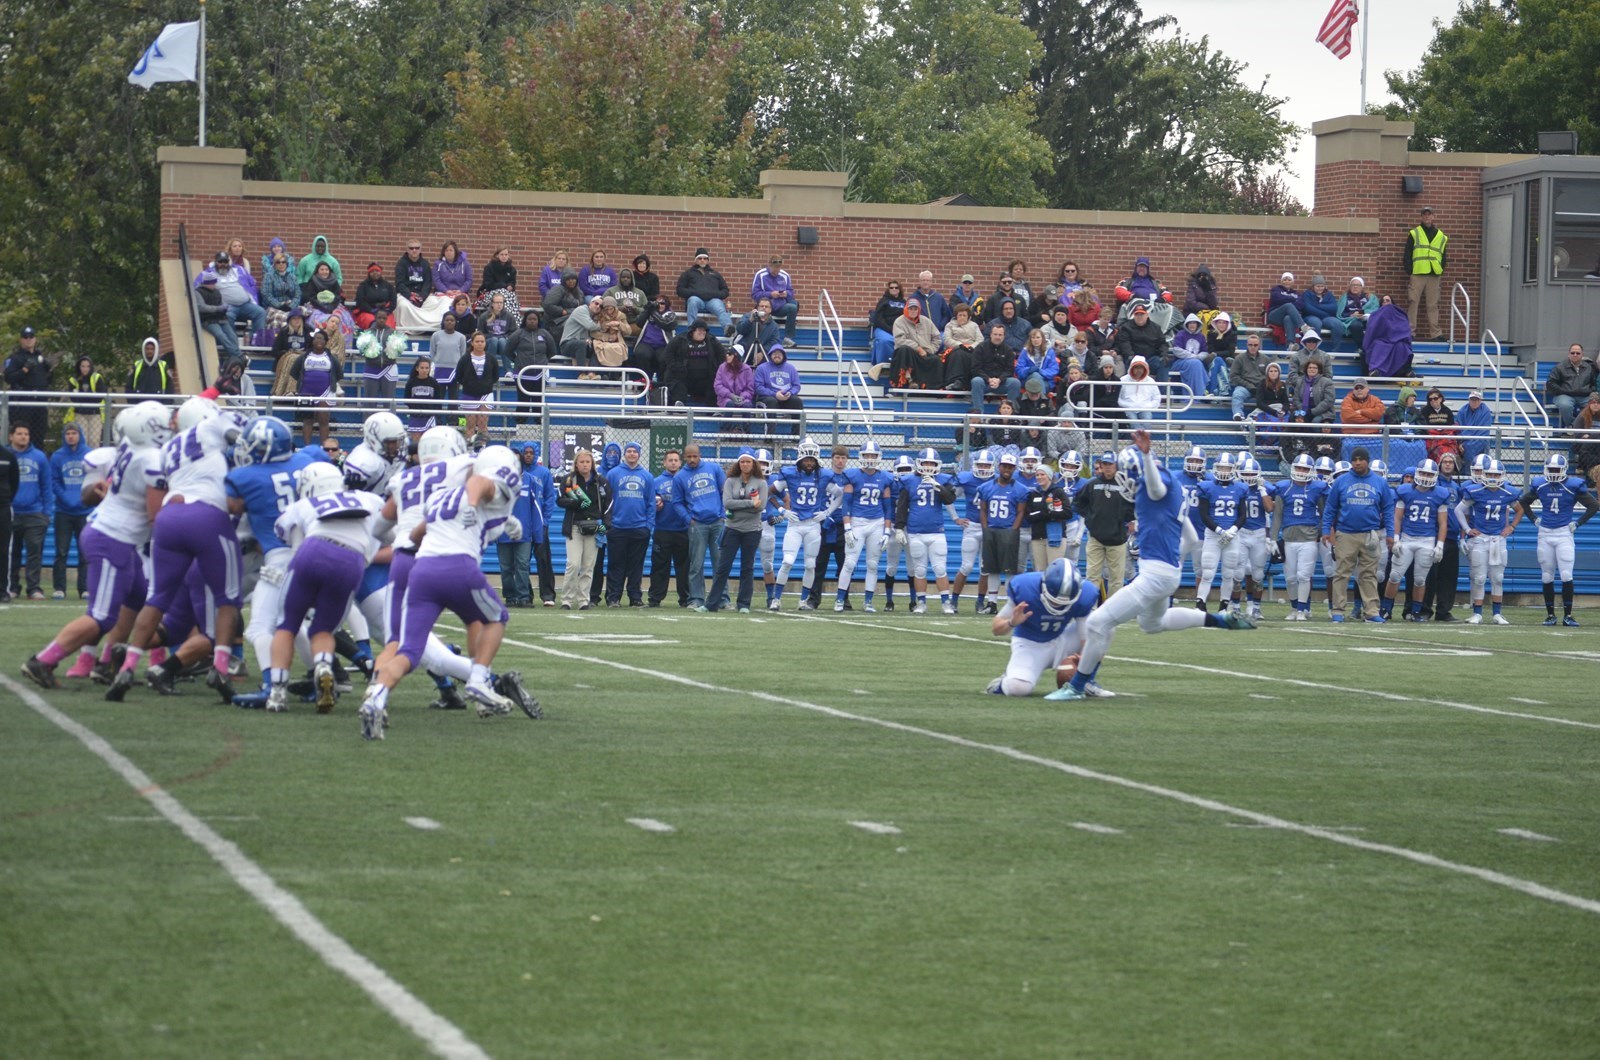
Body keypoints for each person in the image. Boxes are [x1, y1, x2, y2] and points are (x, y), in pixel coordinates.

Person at [1048, 431, 1254, 701]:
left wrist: (1144, 456)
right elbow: (1191, 538)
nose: (1123, 477)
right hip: (1164, 571)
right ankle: (1219, 620)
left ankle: (1077, 686)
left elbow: (1155, 488)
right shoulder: (1171, 487)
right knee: (1152, 624)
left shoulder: (1157, 483)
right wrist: (1170, 560)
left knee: (1099, 623)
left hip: (1156, 573)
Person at [358, 446, 527, 736]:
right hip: (459, 567)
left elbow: (415, 535)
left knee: (407, 650)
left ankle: (376, 698)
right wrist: (474, 506)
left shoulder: (439, 496)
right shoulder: (492, 479)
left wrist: (497, 518)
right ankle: (477, 678)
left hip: (421, 572)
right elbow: (481, 484)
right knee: (496, 618)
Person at [104, 399, 243, 702]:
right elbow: (248, 437)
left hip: (169, 519)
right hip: (207, 516)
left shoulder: (168, 447)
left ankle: (128, 666)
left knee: (156, 598)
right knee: (228, 600)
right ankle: (219, 670)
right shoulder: (213, 425)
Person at [20, 404, 165, 687]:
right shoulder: (150, 457)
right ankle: (43, 660)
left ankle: (108, 663)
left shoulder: (130, 450)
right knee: (101, 616)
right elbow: (155, 517)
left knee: (138, 598)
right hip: (114, 538)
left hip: (115, 535)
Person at [985, 559, 1099, 697]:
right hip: (1030, 645)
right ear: (1043, 586)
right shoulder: (1025, 588)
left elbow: (1085, 638)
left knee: (1102, 627)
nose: (1058, 605)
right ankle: (1002, 683)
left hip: (1063, 640)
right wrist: (1011, 622)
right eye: (1053, 600)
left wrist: (1083, 663)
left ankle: (1088, 681)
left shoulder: (1085, 594)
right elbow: (995, 629)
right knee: (1018, 688)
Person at [1516, 452, 1598, 626]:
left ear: (1564, 470)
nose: (1553, 472)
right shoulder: (1540, 485)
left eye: (1556, 469)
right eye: (1551, 469)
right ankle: (1550, 615)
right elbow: (1523, 501)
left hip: (1563, 534)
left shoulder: (1572, 485)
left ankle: (1568, 616)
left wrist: (1578, 523)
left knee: (1566, 574)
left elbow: (1593, 505)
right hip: (1545, 533)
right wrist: (1534, 519)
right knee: (1546, 576)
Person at [1320, 446, 1394, 623]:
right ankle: (1338, 610)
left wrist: (1391, 533)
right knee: (1342, 573)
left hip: (1370, 533)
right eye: (1355, 459)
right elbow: (1330, 508)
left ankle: (1372, 611)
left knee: (1369, 574)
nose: (1358, 462)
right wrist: (1325, 530)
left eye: (1361, 459)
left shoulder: (1380, 482)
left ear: (1367, 461)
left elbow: (1388, 509)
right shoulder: (1341, 481)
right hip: (1346, 533)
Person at [1379, 457, 1452, 622]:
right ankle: (1385, 609)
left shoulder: (1441, 494)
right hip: (1407, 538)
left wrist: (1439, 545)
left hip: (1426, 540)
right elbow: (1397, 518)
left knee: (1420, 579)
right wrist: (1396, 538)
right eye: (1423, 473)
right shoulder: (1405, 491)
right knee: (1395, 576)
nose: (1426, 477)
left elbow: (1442, 523)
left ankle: (1416, 612)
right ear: (1417, 473)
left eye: (1429, 474)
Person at [1454, 457, 1521, 625]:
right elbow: (1458, 510)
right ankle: (1477, 613)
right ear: (1483, 474)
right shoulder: (1475, 490)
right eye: (1489, 474)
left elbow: (1520, 510)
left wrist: (1512, 527)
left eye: (1496, 475)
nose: (1492, 478)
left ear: (1502, 476)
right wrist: (1468, 530)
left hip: (1498, 539)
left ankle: (1497, 613)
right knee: (1479, 577)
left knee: (1497, 577)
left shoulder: (1508, 492)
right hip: (1480, 539)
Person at [890, 448, 956, 614]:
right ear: (919, 464)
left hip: (936, 532)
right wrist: (899, 528)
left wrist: (937, 485)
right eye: (925, 462)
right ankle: (921, 603)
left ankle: (946, 603)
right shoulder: (909, 481)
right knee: (919, 570)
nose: (928, 466)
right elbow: (902, 507)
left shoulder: (943, 479)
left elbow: (950, 499)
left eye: (931, 463)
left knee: (940, 568)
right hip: (915, 532)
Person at [833, 442, 894, 611]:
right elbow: (846, 503)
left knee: (873, 564)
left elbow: (888, 507)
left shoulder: (885, 478)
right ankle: (839, 599)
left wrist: (887, 532)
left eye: (873, 455)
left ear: (878, 457)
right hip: (857, 522)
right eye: (866, 455)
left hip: (877, 523)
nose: (869, 459)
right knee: (849, 563)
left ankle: (868, 602)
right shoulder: (853, 475)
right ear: (861, 457)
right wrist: (847, 528)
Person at [704, 449, 767, 612]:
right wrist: (749, 503)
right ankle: (711, 604)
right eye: (742, 461)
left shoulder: (761, 483)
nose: (745, 464)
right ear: (738, 464)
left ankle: (744, 604)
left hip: (752, 530)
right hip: (732, 528)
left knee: (747, 567)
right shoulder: (730, 481)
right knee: (723, 567)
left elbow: (761, 507)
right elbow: (727, 503)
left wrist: (744, 505)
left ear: (753, 464)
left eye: (748, 461)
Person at [1271, 454, 1329, 620]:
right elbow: (1277, 515)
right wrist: (1273, 538)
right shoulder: (1284, 487)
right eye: (1299, 468)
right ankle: (1294, 608)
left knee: (1303, 576)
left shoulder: (1317, 487)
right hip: (1289, 540)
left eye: (1305, 469)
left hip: (1308, 540)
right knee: (1290, 578)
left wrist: (1321, 531)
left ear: (1311, 471)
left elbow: (1325, 513)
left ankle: (1302, 610)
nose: (1301, 471)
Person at [975, 450, 1031, 613]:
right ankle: (991, 603)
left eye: (1010, 467)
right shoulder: (986, 487)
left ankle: (1009, 603)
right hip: (991, 530)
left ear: (1014, 469)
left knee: (1009, 569)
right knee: (991, 568)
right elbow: (983, 510)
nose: (1007, 469)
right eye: (1005, 466)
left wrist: (1014, 531)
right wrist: (985, 529)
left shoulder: (1020, 489)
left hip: (1008, 531)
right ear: (999, 467)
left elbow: (1021, 512)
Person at [556, 448, 610, 610]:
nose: (585, 465)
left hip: (594, 528)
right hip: (574, 527)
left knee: (588, 566)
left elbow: (609, 504)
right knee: (573, 564)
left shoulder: (601, 481)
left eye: (588, 462)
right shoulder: (568, 480)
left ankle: (583, 600)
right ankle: (566, 599)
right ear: (576, 464)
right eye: (582, 462)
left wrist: (605, 525)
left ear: (593, 463)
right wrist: (576, 502)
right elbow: (560, 500)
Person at [1075, 452, 1133, 600]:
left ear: (1116, 466)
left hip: (1118, 538)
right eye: (1105, 465)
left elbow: (1134, 505)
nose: (1107, 468)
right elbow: (1078, 502)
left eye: (1110, 465)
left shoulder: (1125, 484)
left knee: (1117, 579)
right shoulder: (1092, 484)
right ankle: (1091, 609)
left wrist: (1126, 520)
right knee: (1092, 576)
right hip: (1096, 537)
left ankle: (1112, 612)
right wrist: (1090, 519)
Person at [674, 444, 726, 610]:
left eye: (694, 456)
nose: (692, 460)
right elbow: (677, 502)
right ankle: (696, 599)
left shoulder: (714, 468)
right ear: (684, 457)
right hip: (697, 524)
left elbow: (725, 491)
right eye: (688, 457)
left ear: (700, 455)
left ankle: (723, 599)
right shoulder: (680, 477)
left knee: (720, 563)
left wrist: (724, 515)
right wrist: (689, 520)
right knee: (696, 565)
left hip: (717, 522)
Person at [604, 441, 654, 607]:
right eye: (629, 451)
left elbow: (651, 503)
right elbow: (606, 501)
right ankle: (613, 597)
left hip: (639, 528)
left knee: (636, 566)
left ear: (639, 454)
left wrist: (648, 526)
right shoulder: (613, 474)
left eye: (635, 451)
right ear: (624, 454)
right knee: (615, 564)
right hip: (617, 527)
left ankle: (635, 597)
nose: (632, 454)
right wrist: (608, 523)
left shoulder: (647, 476)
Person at [8, 424, 52, 600]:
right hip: (10, 512)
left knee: (34, 552)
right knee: (12, 553)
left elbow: (46, 486)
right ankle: (12, 587)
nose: (23, 437)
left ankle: (33, 588)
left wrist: (46, 513)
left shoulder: (39, 457)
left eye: (26, 434)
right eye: (19, 434)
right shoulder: (5, 456)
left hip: (35, 513)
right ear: (11, 436)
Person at [48, 423, 91, 600]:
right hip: (63, 511)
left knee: (85, 551)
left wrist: (84, 499)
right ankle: (59, 588)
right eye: (68, 433)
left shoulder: (89, 454)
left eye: (74, 433)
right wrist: (65, 498)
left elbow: (94, 478)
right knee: (61, 551)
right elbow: (54, 482)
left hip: (85, 510)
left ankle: (85, 588)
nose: (71, 436)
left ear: (80, 435)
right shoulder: (57, 456)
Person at [650, 449, 691, 608]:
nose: (673, 463)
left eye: (676, 460)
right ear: (664, 463)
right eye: (670, 460)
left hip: (683, 530)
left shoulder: (686, 479)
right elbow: (650, 502)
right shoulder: (656, 481)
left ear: (680, 463)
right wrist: (656, 503)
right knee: (660, 566)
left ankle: (685, 599)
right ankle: (655, 598)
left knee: (684, 567)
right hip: (663, 530)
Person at [1405, 206, 1448, 340]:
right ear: (1421, 217)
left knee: (1433, 304)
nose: (1427, 217)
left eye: (1429, 215)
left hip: (1434, 274)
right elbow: (1408, 253)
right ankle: (1410, 332)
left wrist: (1441, 268)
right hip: (1418, 272)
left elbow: (1444, 255)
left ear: (1433, 217)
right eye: (1424, 215)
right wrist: (1409, 270)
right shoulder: (1414, 233)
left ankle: (1435, 334)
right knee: (1413, 302)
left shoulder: (1441, 236)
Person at [4, 327, 52, 443]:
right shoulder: (15, 358)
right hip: (22, 404)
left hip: (40, 403)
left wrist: (49, 369)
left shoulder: (40, 357)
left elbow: (47, 379)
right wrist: (24, 369)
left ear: (35, 339)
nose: (28, 340)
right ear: (21, 340)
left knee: (39, 437)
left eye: (31, 337)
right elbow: (8, 378)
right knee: (21, 438)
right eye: (25, 337)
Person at [886, 296, 944, 389]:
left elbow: (937, 338)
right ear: (906, 309)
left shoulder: (926, 321)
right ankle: (909, 381)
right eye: (910, 309)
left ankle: (932, 389)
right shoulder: (899, 322)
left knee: (936, 360)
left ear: (919, 310)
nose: (913, 311)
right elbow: (900, 341)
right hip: (908, 353)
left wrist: (930, 350)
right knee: (904, 350)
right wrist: (918, 348)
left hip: (925, 353)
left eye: (915, 309)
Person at [662, 319, 722, 407]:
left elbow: (722, 354)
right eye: (699, 330)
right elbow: (668, 352)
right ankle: (679, 402)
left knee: (715, 381)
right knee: (673, 378)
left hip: (706, 377)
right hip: (683, 375)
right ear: (692, 331)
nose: (702, 332)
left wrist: (717, 368)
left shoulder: (712, 340)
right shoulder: (680, 339)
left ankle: (713, 408)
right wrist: (675, 366)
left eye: (704, 330)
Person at [676, 248, 733, 333]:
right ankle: (692, 330)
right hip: (697, 300)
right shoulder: (688, 274)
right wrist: (694, 293)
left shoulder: (715, 274)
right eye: (700, 258)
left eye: (705, 258)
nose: (702, 260)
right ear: (696, 260)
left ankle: (728, 328)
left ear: (708, 260)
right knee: (692, 301)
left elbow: (725, 290)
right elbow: (680, 290)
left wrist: (715, 294)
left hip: (712, 301)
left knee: (719, 307)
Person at [969, 322, 1021, 412]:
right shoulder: (980, 347)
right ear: (990, 335)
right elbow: (975, 368)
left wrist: (999, 380)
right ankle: (978, 416)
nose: (997, 337)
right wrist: (988, 379)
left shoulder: (1008, 350)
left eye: (1000, 335)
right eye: (995, 334)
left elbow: (1009, 370)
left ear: (1004, 336)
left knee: (1015, 383)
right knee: (976, 381)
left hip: (1001, 383)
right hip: (984, 383)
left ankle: (1011, 414)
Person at [456, 332, 499, 440]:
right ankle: (470, 447)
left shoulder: (491, 359)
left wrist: (485, 385)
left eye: (482, 341)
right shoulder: (465, 359)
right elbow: (459, 376)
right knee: (470, 425)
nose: (480, 344)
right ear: (472, 343)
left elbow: (495, 376)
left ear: (485, 343)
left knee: (483, 425)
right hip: (469, 394)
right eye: (477, 341)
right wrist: (470, 384)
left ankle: (481, 447)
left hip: (486, 394)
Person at [1545, 343, 1596, 427]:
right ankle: (1572, 425)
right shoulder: (1559, 367)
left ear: (1582, 354)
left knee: (1595, 405)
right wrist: (1562, 391)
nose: (1575, 355)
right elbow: (1551, 383)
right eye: (1572, 353)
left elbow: (1593, 383)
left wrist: (1591, 392)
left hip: (1584, 396)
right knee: (1565, 405)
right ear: (1569, 354)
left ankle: (1589, 427)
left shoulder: (1589, 368)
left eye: (1578, 353)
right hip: (1565, 395)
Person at [1112, 299, 1166, 376]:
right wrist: (1131, 357)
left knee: (1164, 363)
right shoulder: (1126, 327)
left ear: (1147, 315)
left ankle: (1160, 388)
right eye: (1137, 314)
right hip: (1133, 359)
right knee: (1129, 363)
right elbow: (1125, 344)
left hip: (1151, 359)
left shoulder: (1156, 328)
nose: (1139, 316)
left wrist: (1163, 355)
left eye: (1142, 314)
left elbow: (1162, 343)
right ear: (1134, 315)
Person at [751, 256, 799, 342]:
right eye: (774, 270)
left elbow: (791, 292)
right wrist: (770, 294)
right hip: (765, 306)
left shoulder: (785, 275)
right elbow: (755, 294)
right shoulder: (760, 275)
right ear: (769, 265)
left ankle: (788, 337)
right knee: (792, 306)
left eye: (778, 269)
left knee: (794, 305)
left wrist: (786, 294)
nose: (776, 272)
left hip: (781, 306)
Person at [753, 344, 803, 425]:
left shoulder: (791, 368)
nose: (777, 356)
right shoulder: (761, 368)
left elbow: (796, 386)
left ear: (783, 356)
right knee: (771, 401)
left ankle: (796, 436)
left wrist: (790, 393)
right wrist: (774, 394)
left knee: (797, 401)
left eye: (779, 354)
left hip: (786, 397)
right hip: (768, 398)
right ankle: (769, 436)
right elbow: (758, 387)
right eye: (774, 354)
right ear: (770, 355)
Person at [64, 355, 108, 447]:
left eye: (88, 366)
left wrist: (84, 395)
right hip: (80, 413)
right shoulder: (74, 380)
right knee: (83, 440)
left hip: (95, 413)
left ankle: (93, 461)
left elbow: (100, 397)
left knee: (94, 440)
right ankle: (83, 460)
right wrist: (91, 395)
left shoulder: (97, 377)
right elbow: (74, 399)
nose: (85, 369)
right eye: (83, 366)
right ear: (79, 367)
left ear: (91, 367)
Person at [1299, 275, 1346, 351]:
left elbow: (1334, 307)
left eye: (1322, 286)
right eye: (1318, 286)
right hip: (1310, 316)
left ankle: (1335, 350)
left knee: (1337, 323)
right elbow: (1308, 308)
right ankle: (1314, 350)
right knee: (1317, 323)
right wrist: (1326, 312)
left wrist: (1317, 305)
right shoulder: (1307, 294)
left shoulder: (1328, 294)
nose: (1320, 288)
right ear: (1313, 286)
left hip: (1326, 318)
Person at [1227, 334, 1268, 421]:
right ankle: (1238, 414)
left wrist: (1261, 386)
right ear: (1247, 345)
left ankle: (1265, 417)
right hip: (1244, 386)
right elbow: (1233, 376)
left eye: (1255, 345)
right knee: (1237, 394)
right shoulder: (1239, 359)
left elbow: (1269, 376)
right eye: (1250, 345)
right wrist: (1249, 385)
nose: (1253, 347)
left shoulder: (1265, 359)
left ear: (1259, 346)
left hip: (1261, 387)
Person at [714, 343, 755, 428]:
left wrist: (742, 397)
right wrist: (730, 395)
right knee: (730, 404)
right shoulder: (722, 367)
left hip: (743, 399)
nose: (727, 356)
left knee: (747, 405)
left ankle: (747, 432)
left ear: (736, 356)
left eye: (730, 354)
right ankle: (724, 431)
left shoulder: (747, 369)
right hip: (725, 398)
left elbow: (750, 390)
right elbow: (717, 386)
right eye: (727, 354)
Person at [869, 281, 907, 366]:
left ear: (899, 289)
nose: (894, 289)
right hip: (883, 328)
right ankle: (883, 364)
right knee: (886, 341)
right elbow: (878, 318)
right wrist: (889, 329)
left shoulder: (904, 302)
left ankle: (899, 365)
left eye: (896, 287)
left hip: (899, 329)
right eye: (891, 287)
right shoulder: (883, 301)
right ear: (888, 289)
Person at [1288, 358, 1336, 424]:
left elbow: (1328, 400)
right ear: (1306, 369)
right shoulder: (1300, 381)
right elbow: (1296, 398)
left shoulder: (1326, 382)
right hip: (1303, 410)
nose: (1311, 369)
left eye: (1314, 368)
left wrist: (1313, 411)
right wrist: (1303, 410)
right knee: (1292, 417)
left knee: (1315, 421)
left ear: (1319, 370)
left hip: (1323, 412)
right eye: (1309, 367)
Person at [1337, 277, 1377, 351]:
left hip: (1367, 319)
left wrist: (1365, 315)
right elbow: (1340, 313)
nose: (1355, 287)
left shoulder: (1370, 297)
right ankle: (1362, 347)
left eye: (1358, 285)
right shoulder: (1345, 298)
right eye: (1353, 285)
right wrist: (1351, 315)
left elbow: (1374, 309)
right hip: (1352, 320)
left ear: (1362, 287)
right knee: (1356, 325)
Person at [353, 262, 397, 330]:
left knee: (388, 324)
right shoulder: (363, 286)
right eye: (372, 271)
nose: (375, 273)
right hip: (368, 312)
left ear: (380, 272)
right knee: (372, 323)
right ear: (369, 273)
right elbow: (360, 302)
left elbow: (393, 301)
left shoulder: (388, 286)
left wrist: (387, 311)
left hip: (385, 311)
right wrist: (371, 310)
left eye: (377, 271)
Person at [1267, 272, 1307, 346]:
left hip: (1286, 318)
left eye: (1289, 280)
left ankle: (1290, 344)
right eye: (1285, 279)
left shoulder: (1297, 293)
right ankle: (1302, 326)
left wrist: (1286, 300)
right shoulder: (1276, 290)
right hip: (1274, 316)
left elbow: (1301, 305)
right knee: (1288, 305)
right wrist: (1292, 299)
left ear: (1292, 282)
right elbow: (1277, 299)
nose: (1287, 281)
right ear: (1281, 281)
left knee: (1288, 318)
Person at [1117, 356, 1160, 423]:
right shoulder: (1123, 380)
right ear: (1132, 368)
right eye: (1136, 368)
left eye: (1141, 368)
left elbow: (1157, 398)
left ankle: (1140, 433)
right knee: (1132, 419)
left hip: (1145, 409)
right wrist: (1128, 405)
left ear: (1145, 369)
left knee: (1147, 418)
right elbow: (1117, 398)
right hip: (1128, 409)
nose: (1138, 370)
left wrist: (1147, 406)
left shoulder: (1150, 381)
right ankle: (1140, 432)